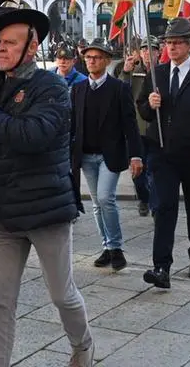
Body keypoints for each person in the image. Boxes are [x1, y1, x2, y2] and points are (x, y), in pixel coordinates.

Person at [0, 0, 94, 367]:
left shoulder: (52, 88)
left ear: (32, 47)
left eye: (10, 42)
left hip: (46, 208)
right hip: (2, 211)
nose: (1, 48)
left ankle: (83, 346)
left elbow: (31, 136)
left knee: (62, 294)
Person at [135, 17, 190, 289]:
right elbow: (141, 109)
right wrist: (150, 105)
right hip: (162, 152)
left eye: (176, 43)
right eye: (168, 43)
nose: (171, 47)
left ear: (189, 45)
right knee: (163, 207)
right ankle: (161, 265)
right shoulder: (158, 74)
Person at [70, 39, 142, 271]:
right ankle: (107, 247)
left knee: (105, 198)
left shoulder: (119, 88)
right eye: (88, 57)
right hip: (86, 156)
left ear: (107, 61)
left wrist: (136, 155)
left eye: (97, 57)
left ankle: (116, 246)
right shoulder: (78, 89)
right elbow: (72, 125)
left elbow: (130, 124)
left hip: (109, 155)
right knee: (96, 204)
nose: (92, 61)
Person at [119, 36, 160, 217]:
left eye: (152, 49)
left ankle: (154, 201)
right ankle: (144, 198)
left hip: (157, 129)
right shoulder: (133, 72)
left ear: (158, 52)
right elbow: (120, 90)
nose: (147, 53)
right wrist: (126, 72)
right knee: (138, 171)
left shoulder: (164, 72)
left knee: (155, 170)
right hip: (137, 129)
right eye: (144, 50)